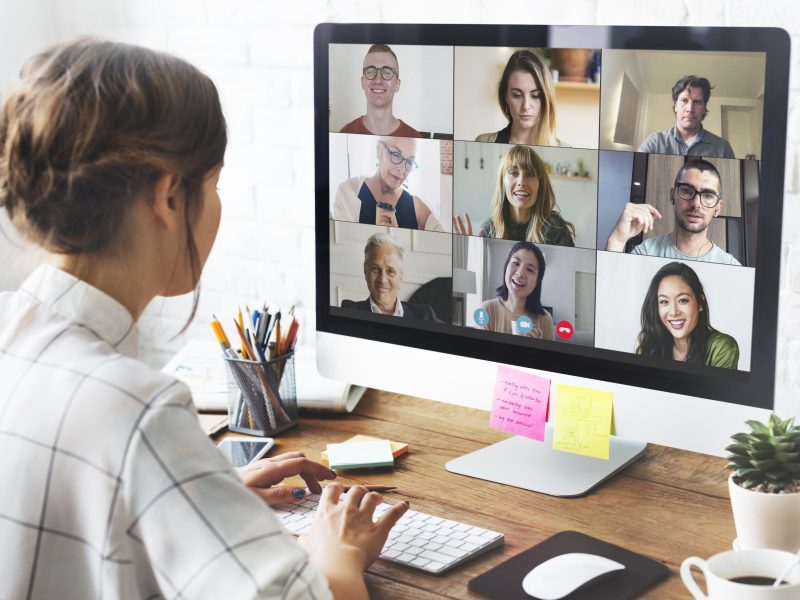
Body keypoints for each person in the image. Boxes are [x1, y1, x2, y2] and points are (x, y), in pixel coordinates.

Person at [0, 39, 408, 600]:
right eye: (214, 184)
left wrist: (197, 493)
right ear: (167, 197)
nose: (217, 205)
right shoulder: (137, 411)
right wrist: (337, 550)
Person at [605, 158, 741, 265]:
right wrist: (616, 240)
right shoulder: (645, 253)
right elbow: (611, 292)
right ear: (672, 196)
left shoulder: (731, 266)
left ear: (718, 207)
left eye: (708, 195)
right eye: (687, 191)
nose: (696, 204)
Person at [453, 144, 575, 245]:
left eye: (530, 174)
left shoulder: (555, 228)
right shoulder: (489, 229)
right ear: (502, 182)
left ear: (540, 185)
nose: (521, 182)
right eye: (513, 173)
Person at [637, 262, 739, 369]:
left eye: (683, 300)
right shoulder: (647, 350)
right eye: (664, 302)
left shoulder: (721, 347)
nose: (673, 312)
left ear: (700, 302)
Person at [333, 136, 443, 231]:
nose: (401, 169)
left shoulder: (417, 206)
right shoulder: (348, 192)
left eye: (409, 162)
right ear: (379, 150)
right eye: (396, 155)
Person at [475, 49, 568, 147]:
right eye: (517, 95)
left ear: (546, 99)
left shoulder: (566, 150)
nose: (526, 106)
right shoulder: (483, 143)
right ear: (506, 96)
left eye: (535, 95)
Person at [341, 233, 442, 322]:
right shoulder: (349, 310)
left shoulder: (425, 315)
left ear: (401, 276)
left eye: (390, 271)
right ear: (365, 271)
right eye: (375, 269)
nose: (382, 279)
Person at [637, 75, 735, 158]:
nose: (690, 109)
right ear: (675, 106)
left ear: (704, 108)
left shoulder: (723, 148)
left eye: (697, 102)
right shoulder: (654, 143)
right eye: (684, 101)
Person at [339, 44, 422, 137]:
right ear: (362, 82)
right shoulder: (345, 134)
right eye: (370, 71)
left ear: (397, 84)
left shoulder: (415, 139)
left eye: (387, 72)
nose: (378, 80)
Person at [479, 242, 555, 340]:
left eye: (530, 270)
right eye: (515, 263)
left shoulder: (545, 319)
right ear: (506, 266)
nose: (520, 273)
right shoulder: (486, 309)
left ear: (537, 281)